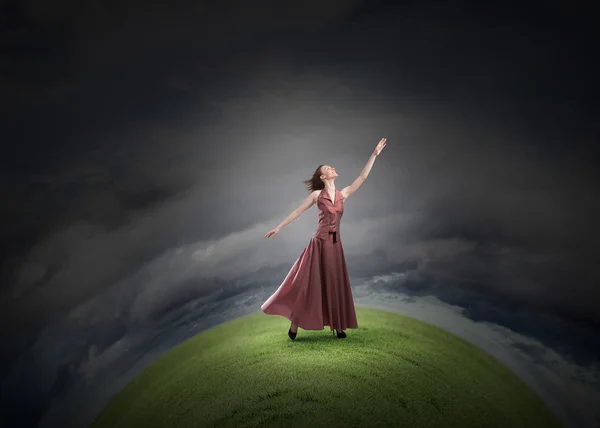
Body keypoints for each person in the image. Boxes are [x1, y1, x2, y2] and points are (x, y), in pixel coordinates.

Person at [261, 138, 387, 340]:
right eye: (328, 168)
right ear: (323, 175)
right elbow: (298, 212)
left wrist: (374, 155)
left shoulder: (342, 194)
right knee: (309, 284)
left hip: (335, 245)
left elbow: (362, 177)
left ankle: (338, 326)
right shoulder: (317, 195)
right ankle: (294, 325)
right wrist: (278, 227)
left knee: (335, 282)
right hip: (319, 244)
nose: (332, 168)